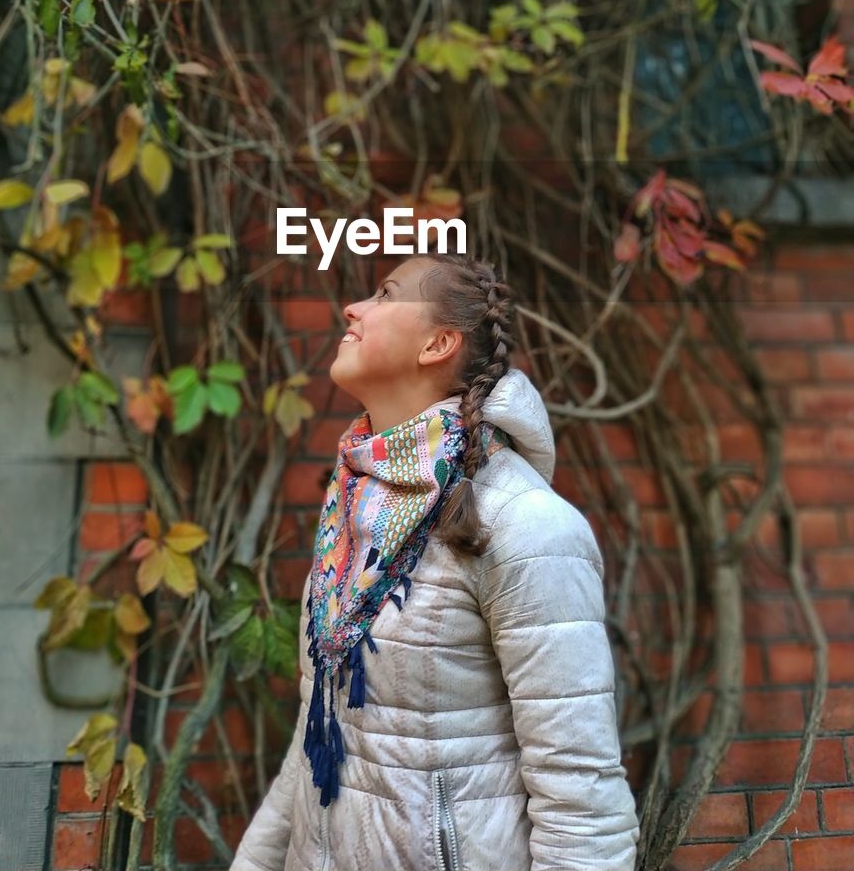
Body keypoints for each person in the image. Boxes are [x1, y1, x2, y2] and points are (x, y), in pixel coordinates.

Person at [230, 253, 639, 871]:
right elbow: (319, 738)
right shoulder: (353, 513)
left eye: (385, 295)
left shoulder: (526, 524)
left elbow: (581, 795)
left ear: (438, 343)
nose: (354, 308)